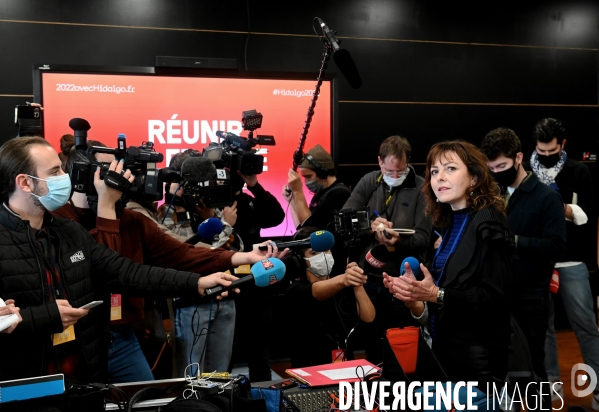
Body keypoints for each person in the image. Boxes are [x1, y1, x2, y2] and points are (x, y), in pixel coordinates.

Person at [0, 136, 241, 383]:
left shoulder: (69, 232)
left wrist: (197, 282)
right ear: (25, 183)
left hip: (83, 374)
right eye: (55, 171)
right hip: (26, 380)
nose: (66, 177)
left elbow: (126, 272)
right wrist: (46, 316)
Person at [384, 140, 515, 391]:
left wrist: (436, 294)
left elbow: (495, 298)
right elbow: (444, 299)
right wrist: (416, 300)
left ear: (474, 178)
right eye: (434, 172)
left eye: (450, 169)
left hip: (479, 361)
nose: (440, 178)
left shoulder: (489, 222)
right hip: (446, 354)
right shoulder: (447, 222)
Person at [481, 128, 566, 405]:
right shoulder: (492, 194)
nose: (496, 172)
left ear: (519, 158)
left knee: (532, 369)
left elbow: (555, 246)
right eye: (492, 167)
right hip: (495, 294)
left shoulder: (546, 197)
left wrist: (514, 240)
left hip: (531, 297)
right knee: (498, 368)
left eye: (502, 166)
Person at [342, 135, 432, 364]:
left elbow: (423, 238)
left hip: (403, 279)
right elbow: (345, 221)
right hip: (369, 276)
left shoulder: (422, 188)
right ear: (380, 162)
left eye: (400, 172)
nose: (394, 177)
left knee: (402, 343)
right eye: (389, 171)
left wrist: (398, 241)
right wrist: (370, 228)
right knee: (372, 339)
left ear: (408, 164)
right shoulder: (370, 181)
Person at [530, 118, 599, 405]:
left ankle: (596, 386)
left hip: (572, 261)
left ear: (563, 145)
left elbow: (590, 214)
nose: (546, 157)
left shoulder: (578, 171)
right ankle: (551, 384)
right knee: (543, 327)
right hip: (537, 260)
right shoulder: (525, 173)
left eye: (552, 151)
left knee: (585, 324)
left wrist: (564, 209)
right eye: (541, 151)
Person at [285, 227, 375, 368]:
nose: (323, 256)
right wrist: (344, 279)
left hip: (345, 368)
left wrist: (357, 284)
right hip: (310, 368)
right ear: (300, 260)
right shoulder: (295, 290)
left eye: (326, 250)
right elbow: (316, 291)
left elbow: (369, 317)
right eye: (314, 252)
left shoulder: (343, 283)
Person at [283, 144, 351, 231]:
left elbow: (310, 229)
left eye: (308, 176)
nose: (306, 182)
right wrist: (292, 200)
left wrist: (298, 191)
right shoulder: (321, 193)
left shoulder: (340, 194)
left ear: (323, 173)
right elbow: (302, 229)